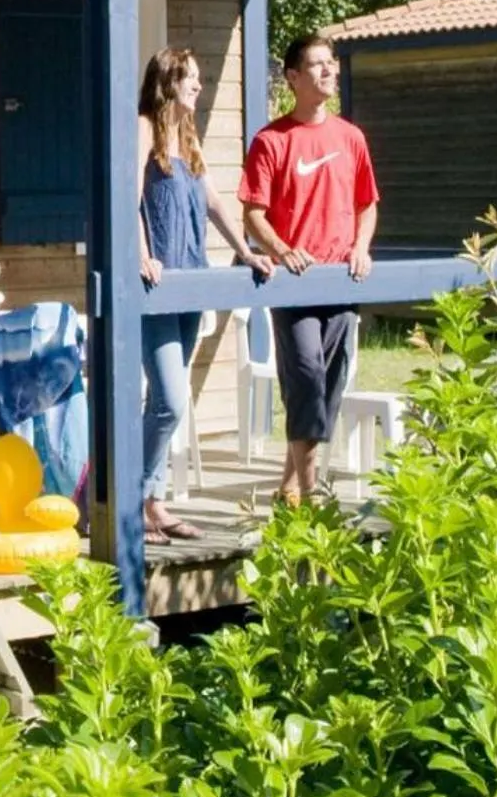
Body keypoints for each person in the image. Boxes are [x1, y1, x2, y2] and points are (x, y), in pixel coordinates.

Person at [135, 47, 274, 544]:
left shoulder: (188, 136)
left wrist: (247, 250)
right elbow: (130, 197)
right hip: (156, 285)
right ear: (167, 82)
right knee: (169, 400)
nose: (198, 85)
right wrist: (141, 253)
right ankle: (132, 500)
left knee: (167, 401)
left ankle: (152, 502)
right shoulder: (144, 129)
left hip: (191, 282)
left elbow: (213, 202)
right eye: (190, 78)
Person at [239, 34, 380, 505]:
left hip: (342, 278)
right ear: (293, 78)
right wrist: (281, 248)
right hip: (295, 284)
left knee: (328, 383)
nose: (328, 72)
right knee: (304, 374)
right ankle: (312, 486)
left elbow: (367, 204)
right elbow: (253, 213)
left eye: (331, 64)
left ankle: (289, 484)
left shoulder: (351, 137)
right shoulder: (271, 140)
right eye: (317, 65)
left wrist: (362, 247)